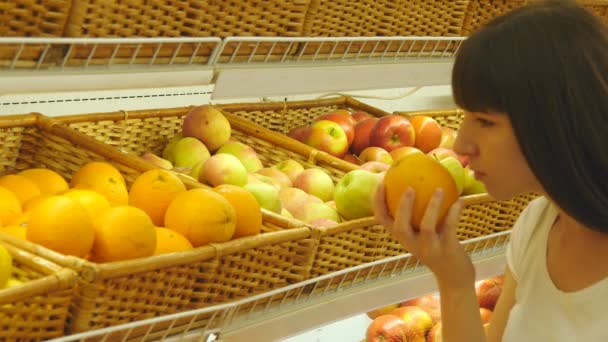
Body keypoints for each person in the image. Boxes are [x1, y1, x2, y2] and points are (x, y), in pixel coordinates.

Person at [373, 0, 608, 341]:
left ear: (555, 123)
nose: (461, 144)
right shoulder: (538, 225)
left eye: (485, 121)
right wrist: (453, 279)